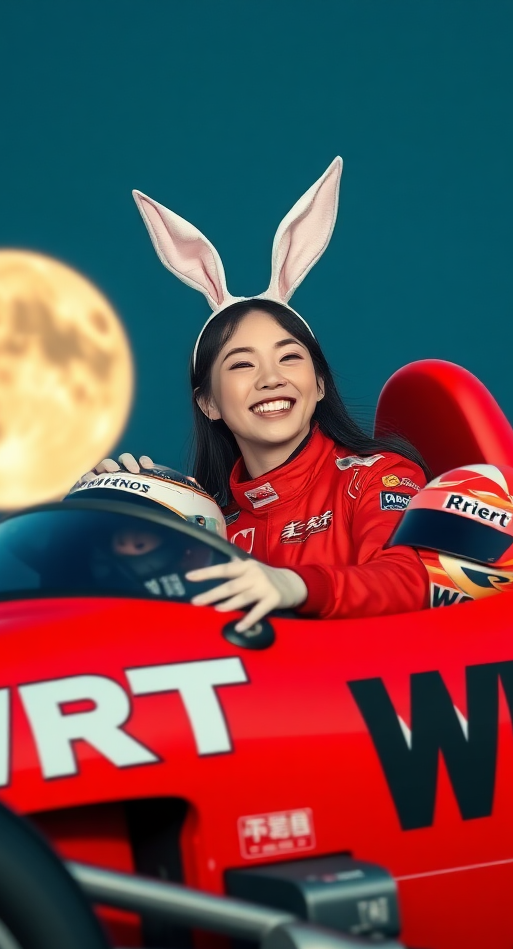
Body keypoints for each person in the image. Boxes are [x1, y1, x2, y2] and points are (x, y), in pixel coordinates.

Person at [80, 157, 429, 631]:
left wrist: (295, 587)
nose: (271, 378)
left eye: (289, 358)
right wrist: (123, 523)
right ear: (209, 402)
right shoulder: (208, 524)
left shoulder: (377, 478)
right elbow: (142, 632)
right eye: (242, 364)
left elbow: (411, 581)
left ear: (319, 383)